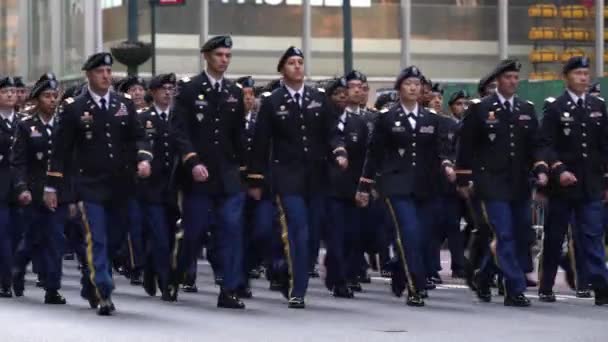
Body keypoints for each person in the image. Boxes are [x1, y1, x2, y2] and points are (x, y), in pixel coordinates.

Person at [45, 52, 153, 315]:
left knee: (116, 237)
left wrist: (143, 158)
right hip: (89, 184)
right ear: (88, 75)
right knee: (98, 238)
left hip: (120, 184)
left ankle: (90, 280)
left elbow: (138, 137)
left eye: (108, 71)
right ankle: (104, 289)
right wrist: (52, 186)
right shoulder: (74, 107)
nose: (106, 76)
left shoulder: (123, 104)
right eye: (99, 72)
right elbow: (60, 150)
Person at [247, 46, 346, 309]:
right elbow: (260, 142)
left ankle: (284, 269)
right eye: (291, 62)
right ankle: (297, 288)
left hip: (316, 177)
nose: (297, 67)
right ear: (282, 69)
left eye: (300, 62)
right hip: (286, 177)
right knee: (297, 230)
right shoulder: (272, 101)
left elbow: (332, 132)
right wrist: (256, 179)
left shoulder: (318, 97)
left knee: (312, 235)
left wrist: (338, 150)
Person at [356, 66, 452, 306]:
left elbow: (441, 151)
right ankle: (415, 287)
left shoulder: (432, 119)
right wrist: (364, 186)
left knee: (421, 237)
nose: (413, 87)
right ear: (399, 88)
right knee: (408, 233)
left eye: (417, 84)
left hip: (425, 186)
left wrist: (448, 166)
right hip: (396, 185)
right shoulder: (387, 118)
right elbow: (374, 154)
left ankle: (400, 270)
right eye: (408, 83)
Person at [455, 59, 546, 307]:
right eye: (508, 78)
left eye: (516, 78)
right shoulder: (481, 109)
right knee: (504, 234)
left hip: (518, 183)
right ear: (498, 81)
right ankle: (514, 288)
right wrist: (464, 178)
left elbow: (535, 144)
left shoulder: (526, 109)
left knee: (520, 234)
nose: (513, 82)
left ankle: (484, 275)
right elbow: (466, 146)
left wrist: (540, 168)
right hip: (490, 183)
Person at [171, 35, 247, 309]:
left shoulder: (234, 92)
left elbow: (239, 135)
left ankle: (229, 289)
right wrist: (192, 161)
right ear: (206, 56)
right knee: (195, 232)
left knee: (231, 229)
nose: (224, 60)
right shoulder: (190, 89)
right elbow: (178, 131)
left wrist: (248, 170)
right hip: (198, 176)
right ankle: (177, 273)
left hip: (227, 175)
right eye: (219, 55)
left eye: (227, 55)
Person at [538, 56, 608, 306]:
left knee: (592, 235)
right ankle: (546, 285)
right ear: (566, 77)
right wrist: (559, 170)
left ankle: (601, 286)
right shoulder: (556, 108)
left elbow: (604, 146)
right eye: (578, 73)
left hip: (591, 184)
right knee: (555, 237)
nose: (583, 78)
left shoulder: (598, 107)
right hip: (563, 186)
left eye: (586, 73)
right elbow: (546, 145)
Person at [10, 73, 66, 304]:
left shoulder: (65, 125)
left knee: (55, 239)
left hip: (58, 192)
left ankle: (52, 288)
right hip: (33, 192)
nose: (52, 100)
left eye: (55, 96)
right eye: (47, 96)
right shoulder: (26, 126)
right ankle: (18, 268)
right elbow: (19, 161)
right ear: (37, 99)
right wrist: (22, 188)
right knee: (31, 238)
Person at [135, 73, 180, 302]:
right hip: (151, 188)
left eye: (171, 88)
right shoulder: (143, 118)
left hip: (176, 188)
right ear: (152, 93)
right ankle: (166, 282)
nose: (168, 92)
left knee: (172, 237)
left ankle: (153, 268)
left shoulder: (180, 117)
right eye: (163, 88)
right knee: (160, 236)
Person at [0, 76, 19, 298]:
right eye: (6, 92)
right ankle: (5, 280)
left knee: (18, 233)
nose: (10, 95)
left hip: (21, 186)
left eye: (13, 91)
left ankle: (15, 272)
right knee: (3, 234)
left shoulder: (23, 122)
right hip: (1, 187)